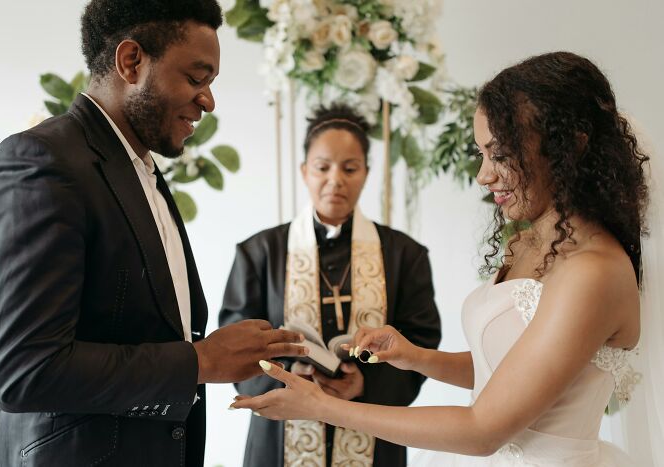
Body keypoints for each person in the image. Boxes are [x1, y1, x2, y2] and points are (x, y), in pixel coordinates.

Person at [231, 51, 652, 466]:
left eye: (500, 155)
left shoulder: (595, 272)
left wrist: (322, 407)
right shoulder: (528, 244)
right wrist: (415, 355)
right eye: (481, 153)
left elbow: (484, 430)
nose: (483, 175)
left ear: (569, 146)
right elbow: (510, 372)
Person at [0, 1, 307, 466]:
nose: (208, 100)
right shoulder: (42, 161)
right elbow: (23, 371)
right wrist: (201, 362)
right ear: (131, 62)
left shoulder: (141, 168)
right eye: (196, 78)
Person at [219, 104, 442, 467]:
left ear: (366, 173)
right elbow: (235, 343)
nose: (335, 180)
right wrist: (289, 380)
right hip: (280, 443)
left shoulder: (405, 255)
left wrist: (365, 386)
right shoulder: (259, 252)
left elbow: (422, 343)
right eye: (322, 167)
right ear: (305, 171)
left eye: (349, 168)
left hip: (374, 435)